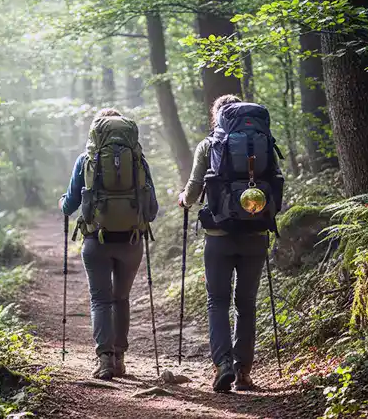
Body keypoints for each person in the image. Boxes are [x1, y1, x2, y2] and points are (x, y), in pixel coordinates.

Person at [177, 95, 284, 392]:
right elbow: (276, 182)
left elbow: (194, 189)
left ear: (218, 116)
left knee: (217, 301)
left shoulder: (209, 145)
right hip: (256, 235)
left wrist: (183, 200)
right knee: (246, 304)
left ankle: (222, 365)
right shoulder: (264, 141)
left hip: (219, 236)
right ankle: (244, 372)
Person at [60, 108, 159, 380]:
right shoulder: (138, 161)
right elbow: (152, 210)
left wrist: (62, 203)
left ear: (96, 132)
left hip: (96, 242)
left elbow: (69, 205)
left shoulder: (86, 160)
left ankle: (105, 359)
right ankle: (120, 359)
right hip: (131, 242)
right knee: (121, 299)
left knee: (100, 300)